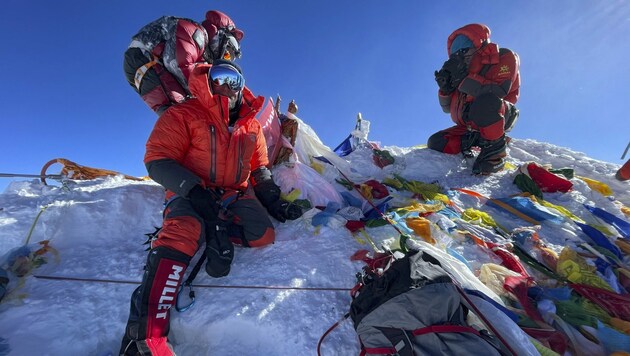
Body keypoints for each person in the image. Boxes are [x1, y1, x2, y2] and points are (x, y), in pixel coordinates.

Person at [119, 61, 303, 355]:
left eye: (234, 79)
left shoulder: (251, 125)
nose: (226, 85)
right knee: (183, 231)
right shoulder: (185, 113)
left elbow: (260, 170)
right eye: (220, 77)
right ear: (208, 80)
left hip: (231, 194)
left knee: (262, 235)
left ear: (242, 85)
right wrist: (195, 193)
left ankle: (210, 230)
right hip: (191, 190)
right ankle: (146, 334)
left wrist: (274, 201)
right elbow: (157, 159)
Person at [428, 24, 521, 175]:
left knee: (486, 102)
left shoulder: (503, 56)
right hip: (470, 124)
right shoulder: (459, 69)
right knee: (436, 142)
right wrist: (445, 89)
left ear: (479, 44)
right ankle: (477, 138)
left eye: (464, 48)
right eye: (455, 51)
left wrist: (463, 79)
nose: (459, 54)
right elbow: (446, 109)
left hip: (501, 113)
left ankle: (495, 152)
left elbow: (498, 91)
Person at [123, 10, 244, 115]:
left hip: (143, 64)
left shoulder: (203, 54)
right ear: (221, 37)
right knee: (179, 110)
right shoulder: (195, 33)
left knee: (182, 107)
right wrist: (210, 101)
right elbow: (180, 65)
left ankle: (185, 136)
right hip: (143, 57)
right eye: (227, 54)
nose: (224, 58)